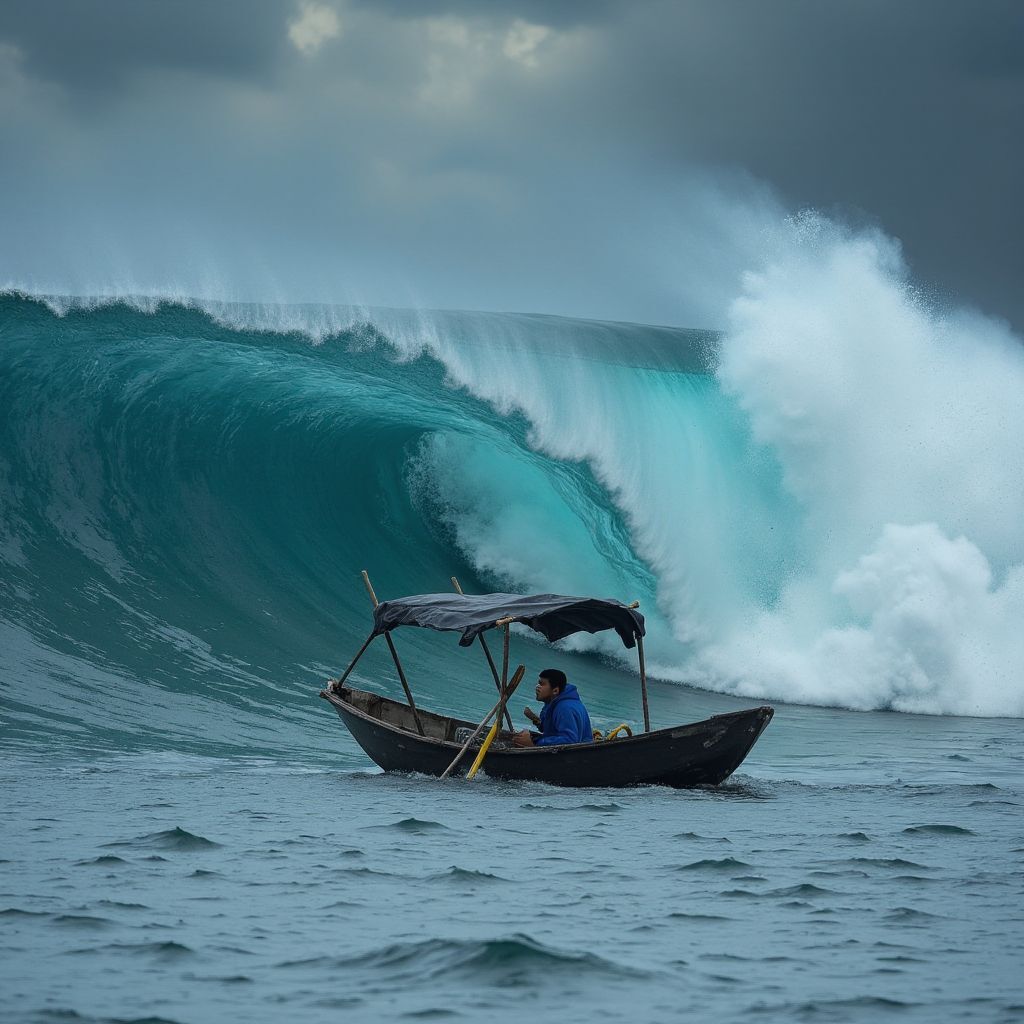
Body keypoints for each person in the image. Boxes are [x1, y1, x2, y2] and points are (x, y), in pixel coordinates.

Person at [512, 668, 592, 747]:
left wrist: (535, 744)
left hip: (576, 755)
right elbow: (551, 729)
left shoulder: (565, 708)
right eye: (538, 683)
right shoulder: (553, 702)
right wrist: (535, 719)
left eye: (542, 684)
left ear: (555, 691)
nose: (537, 687)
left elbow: (569, 740)